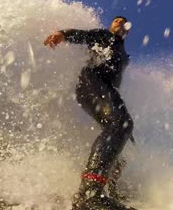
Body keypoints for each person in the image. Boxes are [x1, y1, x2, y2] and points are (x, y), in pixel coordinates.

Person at [44, 16, 136, 210]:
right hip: (91, 82)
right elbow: (84, 35)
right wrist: (64, 34)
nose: (119, 24)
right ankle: (90, 192)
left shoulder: (124, 53)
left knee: (120, 140)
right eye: (116, 21)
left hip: (107, 90)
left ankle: (110, 191)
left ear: (127, 30)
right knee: (120, 124)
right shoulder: (104, 36)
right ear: (112, 25)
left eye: (123, 23)